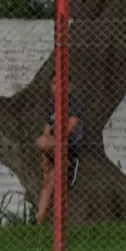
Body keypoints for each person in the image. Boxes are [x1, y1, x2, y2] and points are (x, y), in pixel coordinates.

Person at [36, 75, 84, 229]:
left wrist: (54, 140)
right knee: (47, 183)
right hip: (53, 150)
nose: (58, 87)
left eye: (62, 84)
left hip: (68, 148)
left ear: (69, 87)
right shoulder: (52, 106)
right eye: (54, 83)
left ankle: (58, 227)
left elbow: (71, 127)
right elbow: (46, 131)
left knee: (56, 185)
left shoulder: (73, 104)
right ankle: (39, 222)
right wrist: (51, 139)